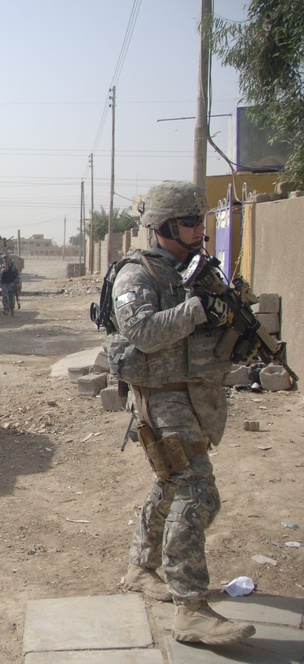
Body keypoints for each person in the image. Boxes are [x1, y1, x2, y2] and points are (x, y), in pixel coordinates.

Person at [110, 181, 255, 646]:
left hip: (194, 394)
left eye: (201, 221)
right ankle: (191, 607)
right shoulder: (138, 274)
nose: (199, 229)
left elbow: (212, 326)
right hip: (159, 395)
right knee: (197, 492)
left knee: (171, 483)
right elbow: (142, 333)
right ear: (164, 226)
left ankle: (141, 567)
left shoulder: (193, 270)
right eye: (190, 222)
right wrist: (196, 310)